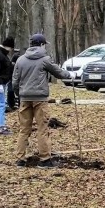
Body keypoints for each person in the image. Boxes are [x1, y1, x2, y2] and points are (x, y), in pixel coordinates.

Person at [12, 34, 72, 168]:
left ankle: (20, 159)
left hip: (25, 97)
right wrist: (70, 75)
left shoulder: (20, 60)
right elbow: (59, 73)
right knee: (42, 128)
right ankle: (44, 159)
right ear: (41, 45)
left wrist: (19, 94)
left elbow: (15, 81)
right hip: (39, 99)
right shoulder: (45, 59)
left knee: (24, 129)